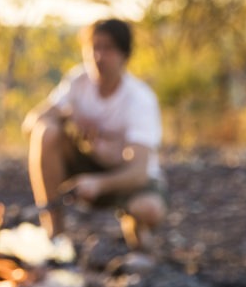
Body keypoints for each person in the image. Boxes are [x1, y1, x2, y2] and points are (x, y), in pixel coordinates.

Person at [22, 18, 166, 252]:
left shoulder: (140, 99)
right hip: (85, 168)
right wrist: (69, 117)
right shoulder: (78, 81)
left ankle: (136, 230)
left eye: (108, 48)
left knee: (148, 208)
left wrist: (100, 183)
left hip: (123, 175)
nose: (99, 56)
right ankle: (55, 234)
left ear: (124, 54)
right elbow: (31, 123)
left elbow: (140, 172)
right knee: (46, 132)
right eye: (94, 48)